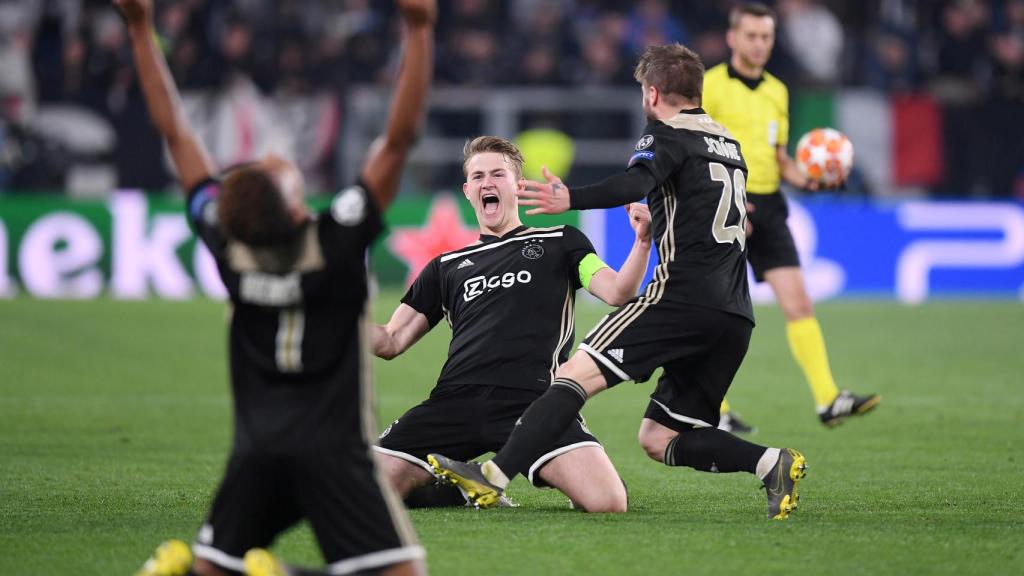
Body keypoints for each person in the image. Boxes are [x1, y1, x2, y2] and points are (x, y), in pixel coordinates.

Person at [117, 0, 436, 574]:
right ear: (295, 210)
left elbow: (175, 130)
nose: (270, 156)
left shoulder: (230, 247)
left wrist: (140, 28)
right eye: (275, 168)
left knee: (213, 566)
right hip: (336, 454)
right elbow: (398, 138)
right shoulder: (335, 243)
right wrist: (419, 29)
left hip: (257, 451)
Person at [428, 43, 807, 520]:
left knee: (571, 376)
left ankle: (493, 476)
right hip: (734, 314)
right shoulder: (729, 145)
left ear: (652, 94)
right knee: (660, 437)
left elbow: (634, 183)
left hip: (679, 300)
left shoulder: (665, 134)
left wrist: (572, 197)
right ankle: (771, 463)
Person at [372, 136, 652, 513]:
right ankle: (458, 489)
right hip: (453, 402)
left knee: (608, 502)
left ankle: (491, 474)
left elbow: (617, 291)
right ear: (467, 190)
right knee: (366, 493)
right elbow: (390, 340)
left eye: (498, 174)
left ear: (517, 186)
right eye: (478, 176)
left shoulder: (560, 241)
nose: (488, 182)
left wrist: (643, 242)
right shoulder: (445, 267)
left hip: (534, 402)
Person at [702, 3, 880, 430]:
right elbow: (698, 152)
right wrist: (722, 200)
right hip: (724, 207)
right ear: (732, 38)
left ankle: (827, 399)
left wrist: (807, 178)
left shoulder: (778, 91)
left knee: (799, 303)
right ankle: (715, 409)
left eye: (766, 36)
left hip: (769, 206)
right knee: (714, 312)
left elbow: (779, 156)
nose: (760, 44)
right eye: (751, 36)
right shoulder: (709, 87)